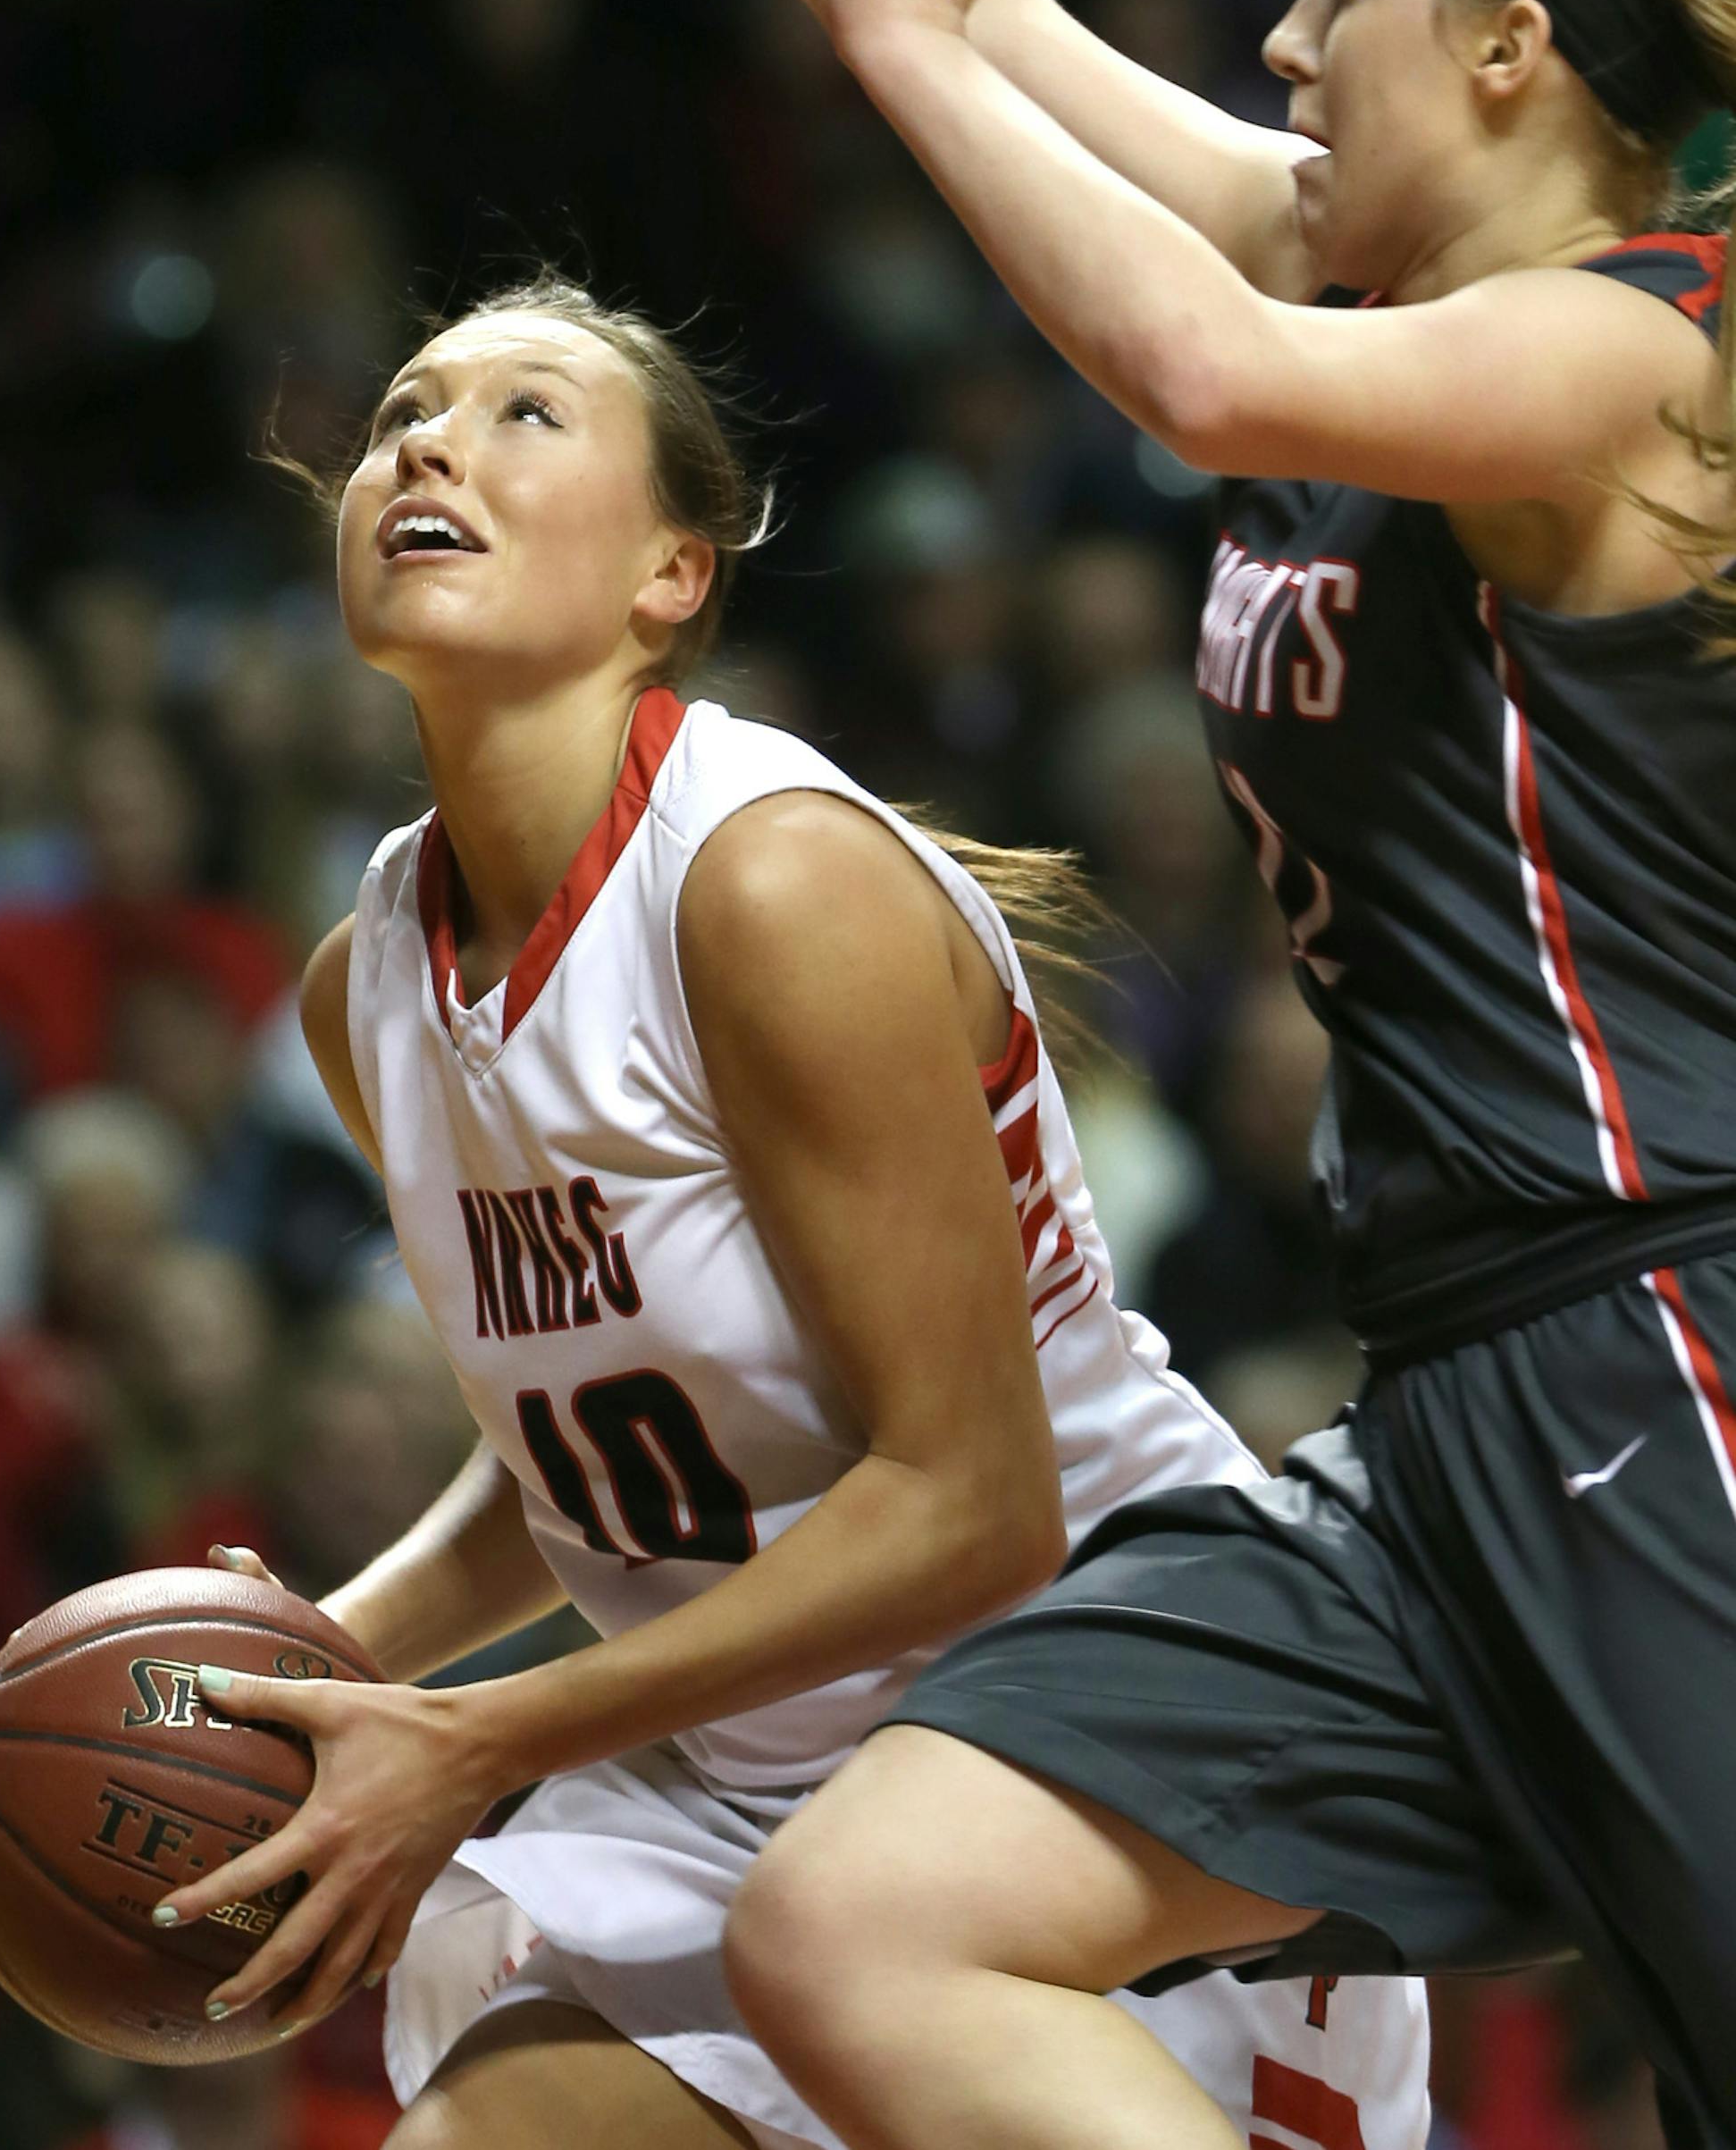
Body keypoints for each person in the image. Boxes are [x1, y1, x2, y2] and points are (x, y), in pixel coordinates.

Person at [340, 0, 1736, 2150]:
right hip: (1446, 1392)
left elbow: (1193, 371)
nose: (1284, 37)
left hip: (1676, 1349)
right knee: (868, 1918)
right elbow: (961, 2)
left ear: (1515, 41)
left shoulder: (1646, 347)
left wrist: (898, 40)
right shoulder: (1374, 267)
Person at [143, 277, 1428, 2149]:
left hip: (1100, 1730)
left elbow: (974, 1504)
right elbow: (598, 1459)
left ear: (673, 571)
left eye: (523, 414)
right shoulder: (371, 988)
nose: (424, 440)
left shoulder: (768, 886)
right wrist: (327, 1672)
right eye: (408, 410)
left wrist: (484, 1738)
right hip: (755, 1774)